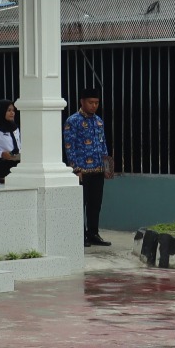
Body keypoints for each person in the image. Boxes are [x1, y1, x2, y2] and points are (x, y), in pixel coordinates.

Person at [64, 87, 112, 247]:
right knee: (81, 203)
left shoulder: (99, 121)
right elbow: (69, 146)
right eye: (91, 102)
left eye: (96, 103)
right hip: (82, 171)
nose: (94, 105)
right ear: (82, 102)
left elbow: (103, 144)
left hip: (98, 169)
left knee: (95, 203)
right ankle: (80, 234)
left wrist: (108, 167)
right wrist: (75, 169)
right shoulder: (73, 121)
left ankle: (93, 233)